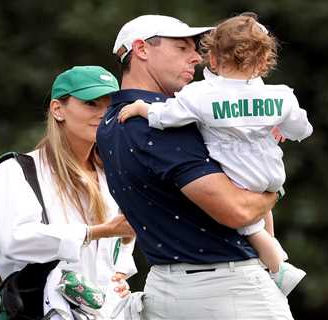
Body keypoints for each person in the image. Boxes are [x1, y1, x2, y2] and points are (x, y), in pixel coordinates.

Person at [97, 14, 294, 319]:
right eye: (182, 48)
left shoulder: (109, 122)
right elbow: (236, 211)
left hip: (166, 287)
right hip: (225, 291)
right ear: (141, 49)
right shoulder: (159, 123)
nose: (196, 58)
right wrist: (275, 189)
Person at [0, 66, 136, 320]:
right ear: (57, 109)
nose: (102, 114)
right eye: (90, 103)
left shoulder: (111, 174)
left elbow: (120, 248)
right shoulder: (17, 171)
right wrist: (96, 231)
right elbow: (14, 239)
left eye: (110, 106)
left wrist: (118, 276)